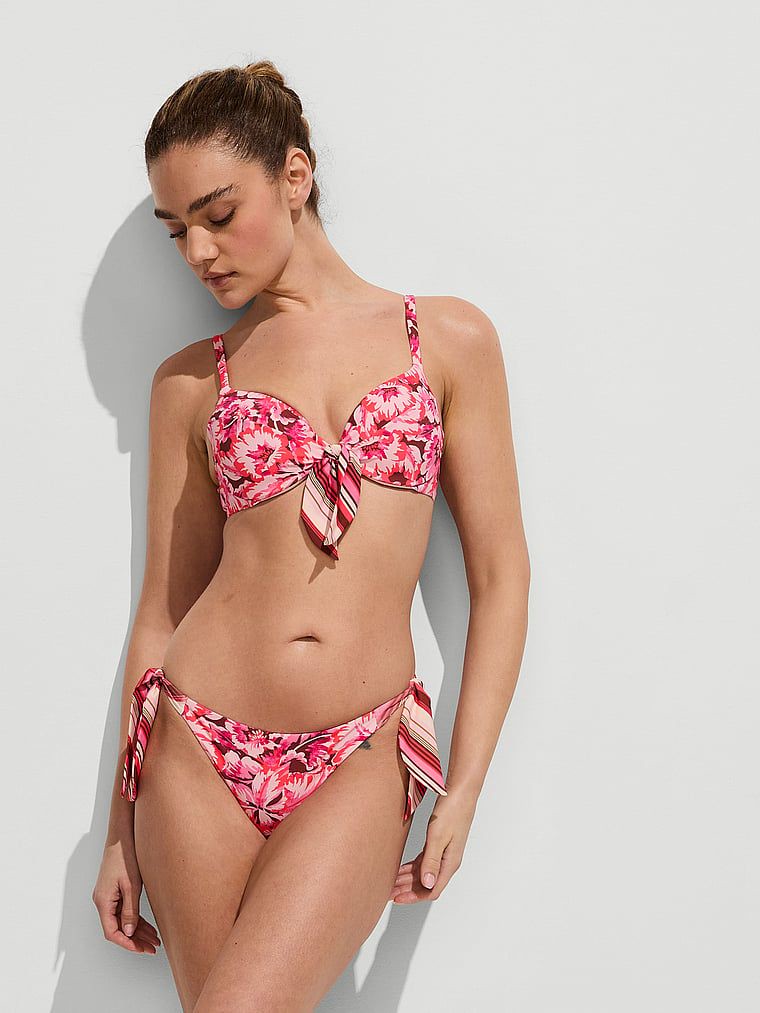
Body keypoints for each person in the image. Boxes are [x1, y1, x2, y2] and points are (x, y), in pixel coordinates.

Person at [92, 59, 530, 1012]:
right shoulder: (190, 382)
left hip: (362, 748)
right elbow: (161, 610)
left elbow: (501, 577)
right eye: (175, 230)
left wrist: (464, 787)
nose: (199, 250)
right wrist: (120, 827)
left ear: (295, 175)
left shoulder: (444, 339)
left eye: (218, 213)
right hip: (195, 747)